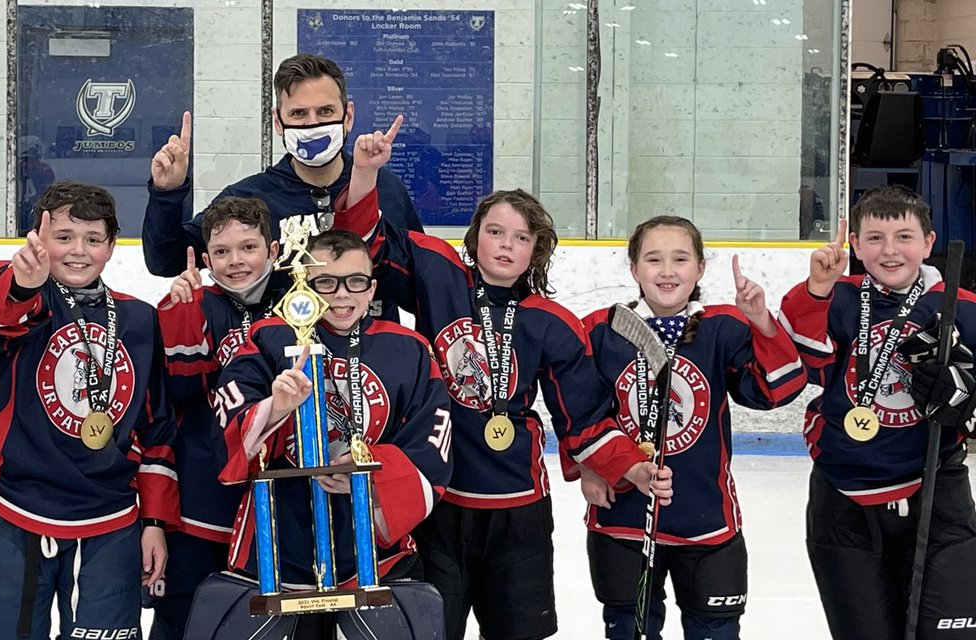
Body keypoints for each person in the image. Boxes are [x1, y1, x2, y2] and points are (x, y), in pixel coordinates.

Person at [335, 126, 672, 640]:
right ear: (475, 237)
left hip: (518, 509)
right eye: (495, 231)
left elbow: (581, 416)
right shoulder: (437, 271)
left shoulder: (551, 321)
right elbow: (364, 247)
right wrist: (365, 173)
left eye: (521, 237)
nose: (506, 245)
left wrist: (628, 466)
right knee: (430, 630)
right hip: (437, 500)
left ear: (535, 250)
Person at [189, 229, 452, 639]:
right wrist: (275, 408)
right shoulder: (268, 338)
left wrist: (368, 474)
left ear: (372, 288)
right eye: (325, 282)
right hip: (277, 546)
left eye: (355, 282)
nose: (342, 295)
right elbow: (224, 435)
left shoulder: (410, 349)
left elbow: (432, 445)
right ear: (305, 286)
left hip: (374, 550)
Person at [0, 181, 179, 640]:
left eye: (93, 239)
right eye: (63, 237)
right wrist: (24, 282)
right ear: (39, 240)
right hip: (16, 510)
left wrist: (155, 521)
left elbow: (156, 428)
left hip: (111, 519)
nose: (78, 251)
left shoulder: (138, 319)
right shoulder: (30, 298)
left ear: (111, 246)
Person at [578, 216, 807, 639]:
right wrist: (595, 467)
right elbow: (581, 415)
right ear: (633, 269)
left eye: (680, 259)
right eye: (653, 259)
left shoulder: (722, 327)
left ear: (700, 268)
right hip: (623, 520)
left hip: (706, 521)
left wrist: (761, 322)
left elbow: (776, 391)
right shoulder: (601, 329)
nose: (667, 271)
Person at [780, 184, 976, 639]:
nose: (890, 251)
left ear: (928, 243)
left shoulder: (959, 309)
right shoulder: (839, 297)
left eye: (904, 237)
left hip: (934, 491)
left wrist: (966, 392)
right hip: (843, 495)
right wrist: (816, 289)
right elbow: (799, 367)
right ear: (855, 245)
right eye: (875, 238)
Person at [142, 53, 422, 321]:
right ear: (278, 121)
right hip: (278, 361)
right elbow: (165, 261)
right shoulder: (248, 198)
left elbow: (420, 279)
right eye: (299, 113)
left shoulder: (384, 187)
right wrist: (167, 193)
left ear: (348, 115)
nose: (313, 123)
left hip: (371, 362)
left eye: (325, 111)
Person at [146, 196, 281, 639]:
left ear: (274, 251)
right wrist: (181, 316)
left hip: (279, 501)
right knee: (182, 622)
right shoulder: (195, 302)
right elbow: (179, 394)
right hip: (202, 501)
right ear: (205, 260)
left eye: (249, 248)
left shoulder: (302, 306)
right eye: (222, 252)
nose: (236, 261)